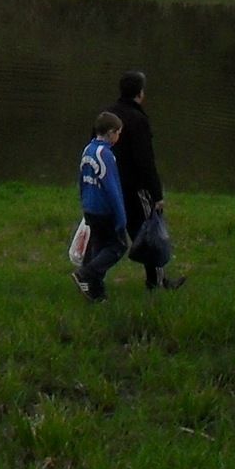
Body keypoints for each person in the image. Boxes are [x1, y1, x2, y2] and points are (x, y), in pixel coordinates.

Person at [107, 70, 186, 291]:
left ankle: (90, 276)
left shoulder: (107, 115)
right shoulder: (138, 120)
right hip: (134, 187)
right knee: (149, 234)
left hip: (109, 185)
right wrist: (156, 195)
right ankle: (157, 281)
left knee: (107, 236)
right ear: (139, 93)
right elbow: (145, 161)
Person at [77, 112, 130, 300]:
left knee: (99, 247)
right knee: (118, 247)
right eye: (118, 133)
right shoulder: (105, 155)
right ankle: (86, 274)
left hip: (90, 209)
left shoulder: (88, 150)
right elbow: (112, 189)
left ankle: (96, 292)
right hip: (104, 211)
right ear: (110, 133)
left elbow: (81, 181)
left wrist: (84, 204)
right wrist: (121, 218)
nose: (118, 137)